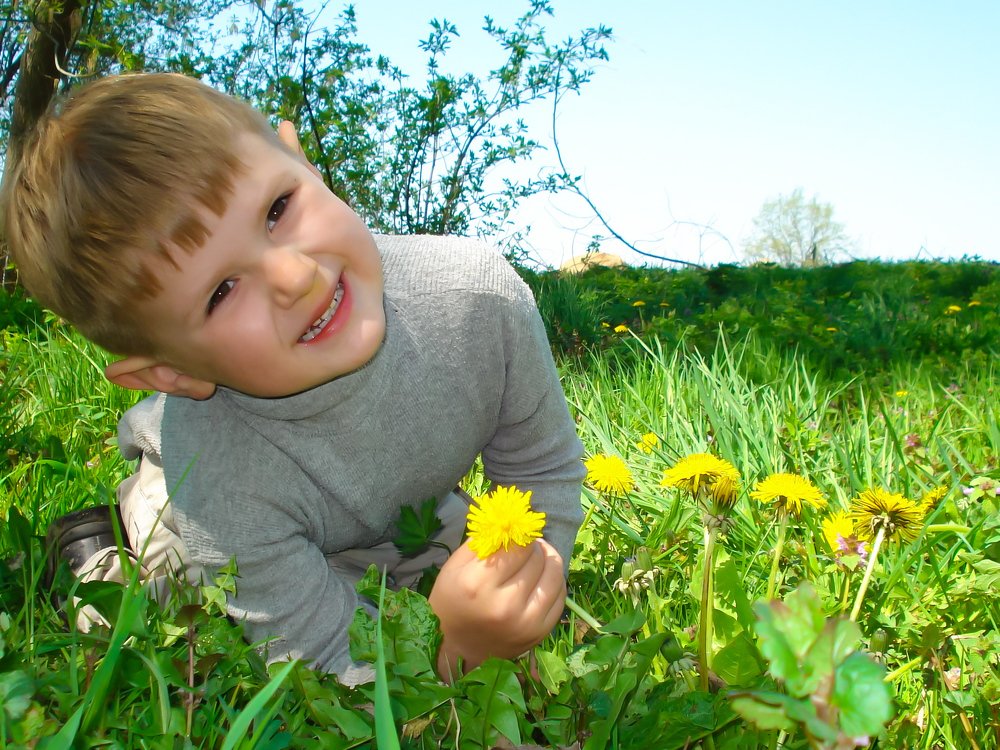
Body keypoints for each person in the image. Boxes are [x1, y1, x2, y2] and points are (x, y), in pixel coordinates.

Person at [2, 73, 585, 684]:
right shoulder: (223, 488)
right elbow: (325, 668)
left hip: (384, 502)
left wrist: (538, 591)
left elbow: (541, 468)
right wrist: (457, 652)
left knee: (436, 553)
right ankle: (96, 547)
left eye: (278, 209)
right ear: (171, 371)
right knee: (168, 605)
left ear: (303, 162)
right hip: (191, 504)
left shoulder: (476, 299)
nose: (295, 276)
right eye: (222, 292)